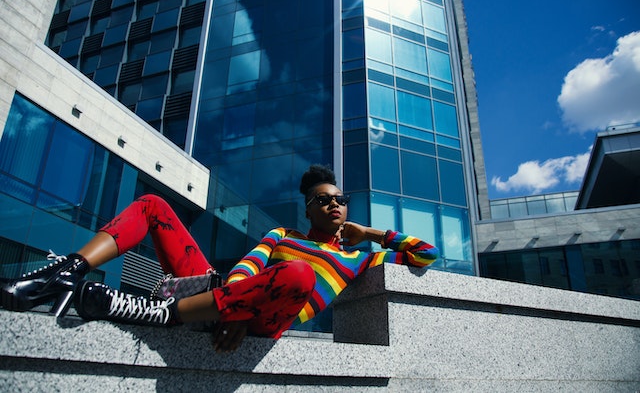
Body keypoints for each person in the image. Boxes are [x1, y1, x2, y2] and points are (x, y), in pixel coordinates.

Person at [1, 165, 438, 351]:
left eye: (339, 199)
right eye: (322, 200)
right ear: (307, 208)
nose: (333, 205)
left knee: (299, 275)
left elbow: (426, 255)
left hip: (266, 320)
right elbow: (250, 264)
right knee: (153, 204)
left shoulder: (359, 258)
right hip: (224, 300)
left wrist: (375, 234)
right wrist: (233, 305)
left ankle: (160, 312)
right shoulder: (283, 234)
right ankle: (65, 273)